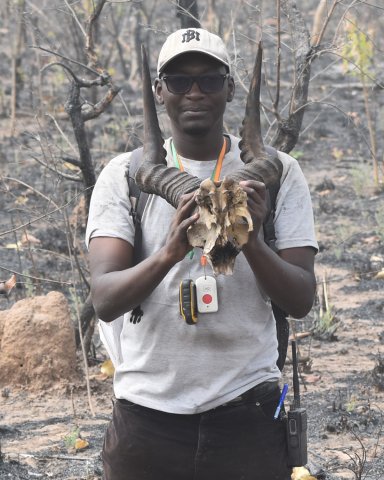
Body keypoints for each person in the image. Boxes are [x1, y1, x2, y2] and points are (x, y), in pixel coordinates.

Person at [86, 27, 318, 480]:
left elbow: (301, 300)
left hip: (246, 411)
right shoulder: (124, 177)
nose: (195, 92)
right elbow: (106, 299)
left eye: (210, 80)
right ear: (159, 91)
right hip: (147, 415)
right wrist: (167, 255)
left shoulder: (280, 174)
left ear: (230, 88)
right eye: (178, 81)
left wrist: (250, 238)